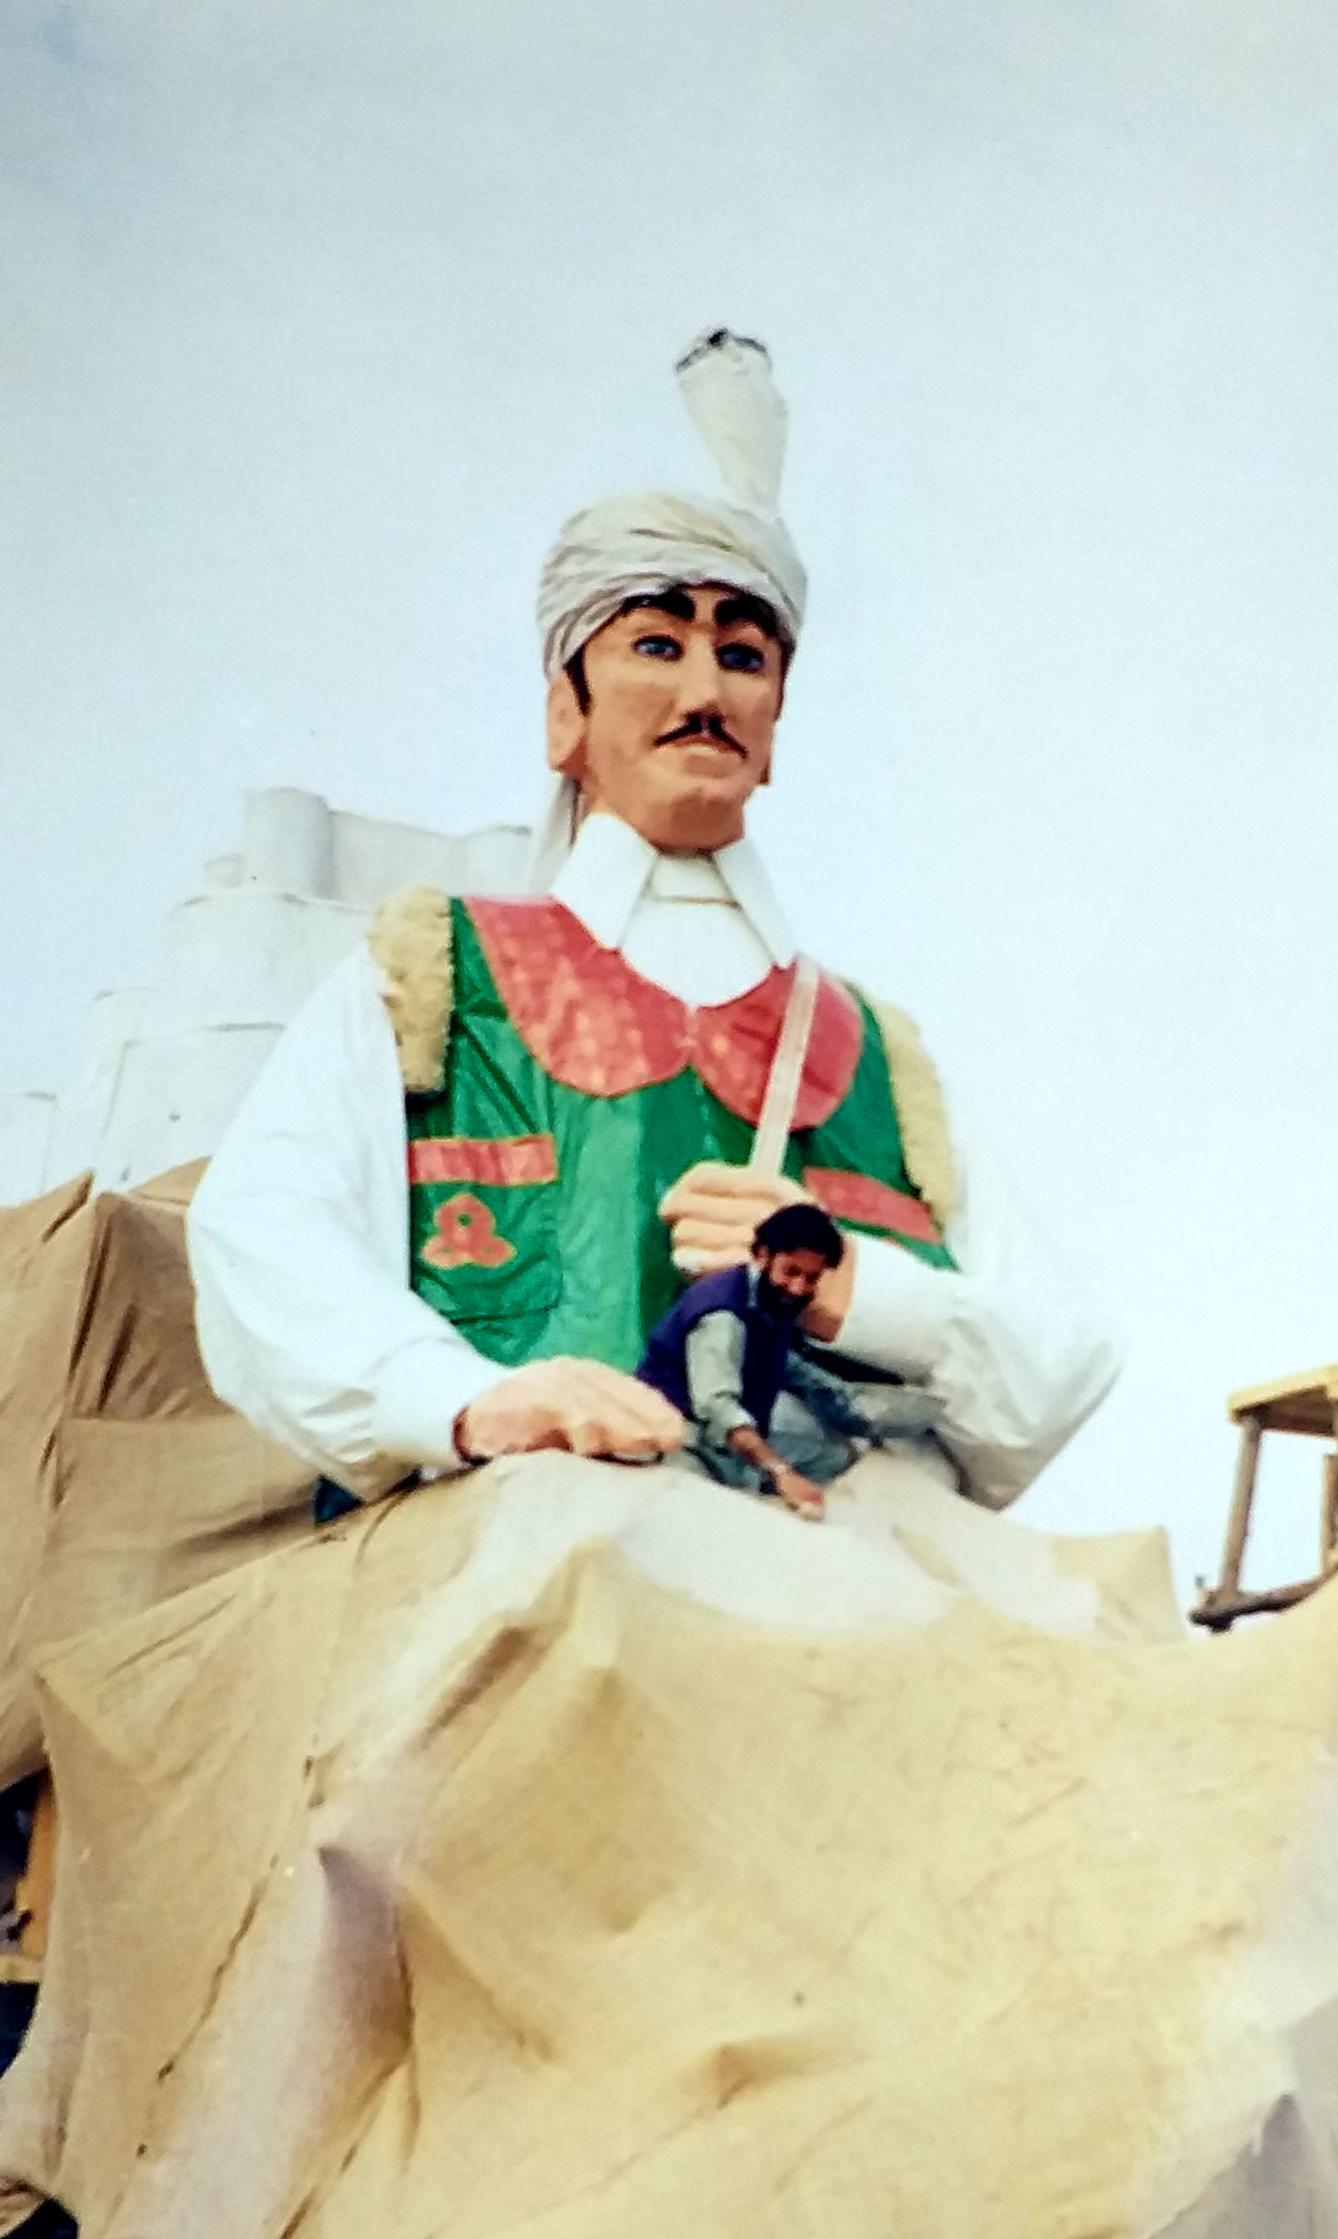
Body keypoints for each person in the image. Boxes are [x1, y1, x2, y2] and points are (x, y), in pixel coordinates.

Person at [187, 332, 1117, 1511]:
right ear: (564, 711)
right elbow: (262, 1232)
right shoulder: (435, 974)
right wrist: (461, 1399)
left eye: (741, 655)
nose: (702, 692)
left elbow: (1065, 1352)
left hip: (835, 1584)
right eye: (656, 644)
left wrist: (855, 1288)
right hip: (501, 1557)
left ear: (775, 721)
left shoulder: (880, 1052)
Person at [639, 1201, 925, 1517]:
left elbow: (779, 1359)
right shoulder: (722, 1318)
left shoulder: (772, 1303)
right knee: (701, 1509)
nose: (798, 1287)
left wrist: (842, 1396)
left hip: (739, 1436)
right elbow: (718, 1407)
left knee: (833, 1458)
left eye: (812, 1278)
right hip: (686, 1437)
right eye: (791, 1271)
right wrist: (781, 1471)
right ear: (762, 1256)